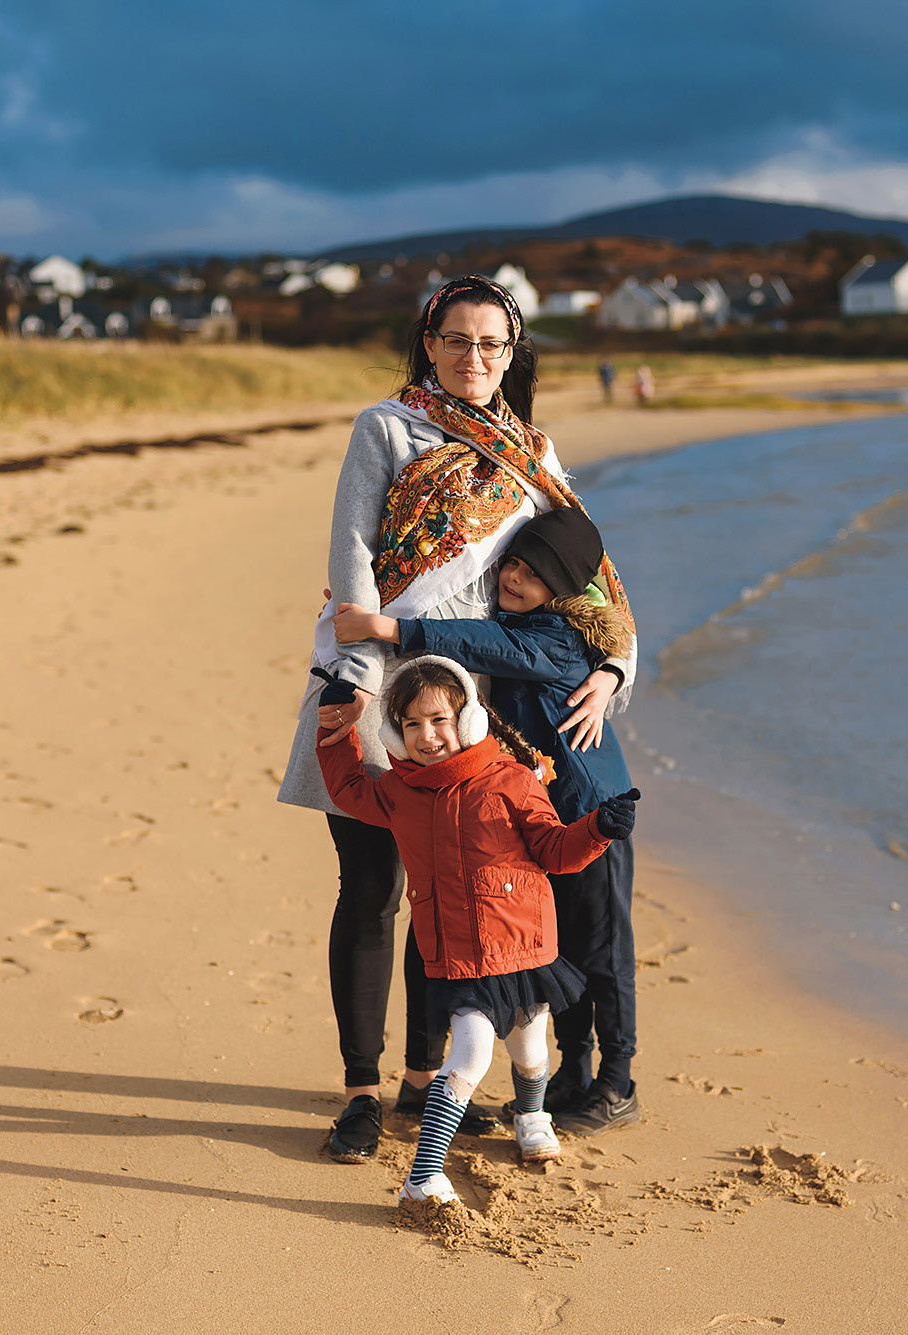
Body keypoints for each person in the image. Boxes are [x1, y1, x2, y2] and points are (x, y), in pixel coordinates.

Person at [277, 275, 639, 1165]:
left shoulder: (531, 449)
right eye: (458, 340)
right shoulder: (387, 427)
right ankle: (362, 1091)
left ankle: (421, 1076)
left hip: (474, 705)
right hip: (377, 678)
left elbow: (591, 573)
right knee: (371, 891)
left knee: (447, 892)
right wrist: (357, 683)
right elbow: (353, 555)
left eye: (493, 344)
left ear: (514, 354)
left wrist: (615, 666)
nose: (475, 358)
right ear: (428, 340)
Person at [332, 505, 642, 1134]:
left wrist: (392, 629)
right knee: (560, 952)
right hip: (542, 818)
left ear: (563, 590)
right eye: (515, 563)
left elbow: (486, 646)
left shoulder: (558, 636)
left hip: (592, 813)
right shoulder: (520, 614)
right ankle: (571, 1072)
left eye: (535, 574)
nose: (516, 578)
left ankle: (618, 1082)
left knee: (605, 951)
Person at [315, 656, 638, 1202]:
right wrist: (336, 729)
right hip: (459, 957)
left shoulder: (511, 780)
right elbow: (348, 789)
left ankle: (531, 1116)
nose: (427, 736)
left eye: (439, 720)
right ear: (394, 731)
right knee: (470, 1056)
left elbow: (556, 851)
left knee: (531, 1052)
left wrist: (598, 829)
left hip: (525, 949)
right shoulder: (399, 791)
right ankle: (423, 1176)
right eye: (411, 724)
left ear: (466, 719)